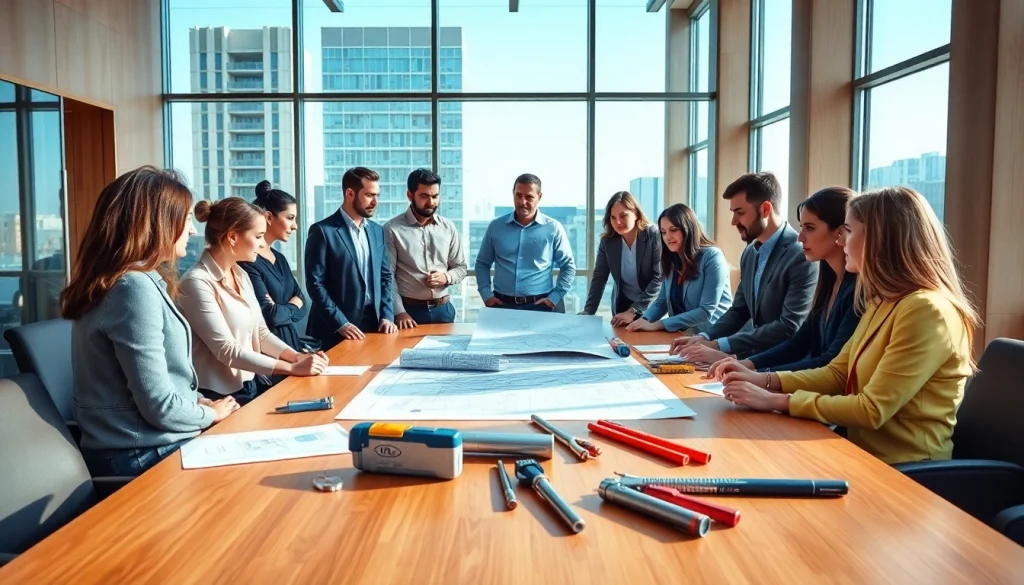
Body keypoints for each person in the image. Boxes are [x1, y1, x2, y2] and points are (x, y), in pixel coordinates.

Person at [720, 187, 978, 465]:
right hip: (856, 452)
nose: (842, 242)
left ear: (880, 240)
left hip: (904, 471)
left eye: (849, 232)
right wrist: (763, 380)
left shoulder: (927, 310)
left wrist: (777, 400)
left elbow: (872, 409)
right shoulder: (884, 301)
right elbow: (838, 374)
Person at [61, 166, 238, 477]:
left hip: (147, 444)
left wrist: (201, 403)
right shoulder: (132, 288)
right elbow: (159, 406)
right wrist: (208, 414)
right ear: (158, 224)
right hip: (141, 455)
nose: (193, 230)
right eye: (185, 220)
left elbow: (160, 385)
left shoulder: (125, 281)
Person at [179, 197, 327, 406]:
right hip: (215, 398)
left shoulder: (241, 274)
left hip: (248, 386)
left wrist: (296, 357)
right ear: (232, 237)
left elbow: (261, 333)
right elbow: (227, 351)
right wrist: (291, 368)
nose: (261, 243)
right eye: (258, 236)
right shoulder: (196, 282)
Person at [709, 187, 859, 376]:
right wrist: (748, 365)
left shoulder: (856, 291)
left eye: (810, 228)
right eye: (801, 226)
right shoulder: (827, 281)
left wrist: (762, 376)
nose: (800, 236)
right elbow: (800, 341)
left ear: (840, 233)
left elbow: (829, 362)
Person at [670, 172, 817, 361]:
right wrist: (704, 337)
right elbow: (740, 309)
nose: (733, 222)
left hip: (786, 365)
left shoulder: (800, 254)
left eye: (739, 213)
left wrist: (719, 345)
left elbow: (788, 326)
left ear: (765, 209)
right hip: (752, 359)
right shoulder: (750, 253)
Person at [305, 167, 397, 349]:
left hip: (375, 323)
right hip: (337, 328)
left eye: (377, 195)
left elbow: (385, 277)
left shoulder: (377, 231)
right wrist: (341, 323)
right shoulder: (322, 231)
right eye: (369, 195)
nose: (375, 201)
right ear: (350, 193)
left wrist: (387, 315)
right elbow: (315, 284)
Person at [475, 173, 576, 312]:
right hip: (502, 305)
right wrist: (486, 294)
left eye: (529, 197)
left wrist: (554, 298)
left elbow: (568, 267)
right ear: (513, 194)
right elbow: (482, 263)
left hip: (541, 306)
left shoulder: (553, 228)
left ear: (539, 197)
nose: (523, 202)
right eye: (519, 195)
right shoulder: (496, 227)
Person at [626, 203, 732, 333]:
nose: (667, 237)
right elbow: (662, 301)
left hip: (714, 336)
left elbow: (706, 311)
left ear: (688, 228)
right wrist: (644, 321)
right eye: (663, 232)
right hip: (682, 336)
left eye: (674, 230)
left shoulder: (712, 256)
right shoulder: (671, 259)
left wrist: (658, 324)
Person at [384, 169, 467, 328]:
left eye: (435, 196)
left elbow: (461, 267)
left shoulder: (448, 227)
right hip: (409, 314)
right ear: (410, 195)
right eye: (424, 196)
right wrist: (399, 312)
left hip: (444, 311)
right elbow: (388, 276)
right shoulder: (392, 229)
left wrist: (446, 277)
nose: (431, 202)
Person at [238, 180, 311, 353]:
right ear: (269, 217)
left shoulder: (280, 259)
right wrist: (293, 304)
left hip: (291, 345)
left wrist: (283, 309)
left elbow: (303, 302)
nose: (295, 226)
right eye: (290, 218)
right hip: (266, 350)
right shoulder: (248, 260)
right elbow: (271, 315)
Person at [581, 191, 662, 326]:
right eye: (613, 217)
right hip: (622, 307)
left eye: (623, 216)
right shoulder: (607, 242)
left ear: (636, 213)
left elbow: (659, 278)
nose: (618, 222)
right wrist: (588, 311)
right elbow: (599, 278)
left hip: (652, 306)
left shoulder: (654, 236)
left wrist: (634, 310)